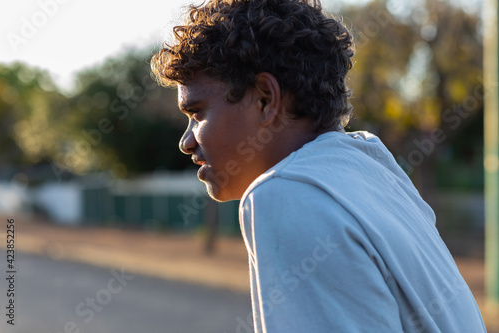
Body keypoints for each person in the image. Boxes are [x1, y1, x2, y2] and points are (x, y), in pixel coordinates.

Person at [151, 0, 486, 331]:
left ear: (265, 98)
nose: (187, 141)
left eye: (197, 115)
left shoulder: (288, 194)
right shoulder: (374, 169)